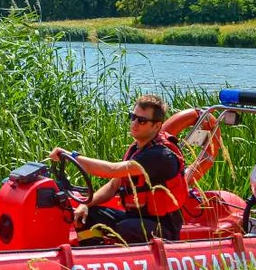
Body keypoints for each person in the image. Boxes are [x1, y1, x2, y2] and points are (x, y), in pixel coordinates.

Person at [49, 94, 189, 246]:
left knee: (125, 228)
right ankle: (91, 255)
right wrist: (86, 204)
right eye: (133, 117)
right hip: (136, 219)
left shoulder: (159, 156)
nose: (134, 123)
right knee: (90, 215)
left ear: (156, 126)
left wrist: (72, 156)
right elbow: (113, 185)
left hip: (163, 227)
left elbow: (112, 170)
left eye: (141, 120)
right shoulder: (136, 149)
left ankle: (118, 256)